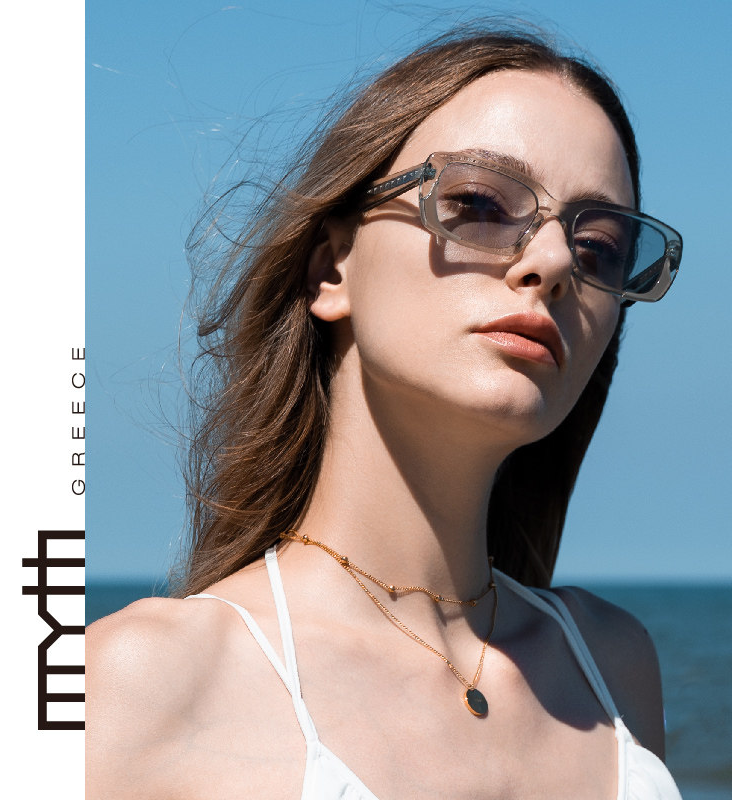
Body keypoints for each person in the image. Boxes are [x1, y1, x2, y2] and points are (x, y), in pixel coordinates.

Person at [86, 23, 683, 799]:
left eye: (599, 247)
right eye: (478, 203)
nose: (553, 262)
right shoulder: (138, 684)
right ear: (332, 268)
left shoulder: (610, 668)